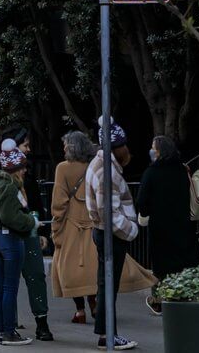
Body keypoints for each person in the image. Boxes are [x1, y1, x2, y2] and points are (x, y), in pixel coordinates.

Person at [52, 131, 155, 326]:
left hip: (71, 226)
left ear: (72, 147)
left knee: (72, 271)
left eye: (66, 145)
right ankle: (94, 303)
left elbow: (59, 203)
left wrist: (56, 228)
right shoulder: (94, 166)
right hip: (94, 223)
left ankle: (80, 310)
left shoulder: (62, 168)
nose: (63, 148)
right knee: (94, 271)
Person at [86, 119, 139, 351]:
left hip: (103, 232)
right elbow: (108, 212)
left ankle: (105, 334)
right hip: (111, 235)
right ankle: (109, 335)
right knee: (109, 285)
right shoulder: (107, 171)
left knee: (105, 284)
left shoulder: (100, 165)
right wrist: (131, 229)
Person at [135, 134, 199, 314]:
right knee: (185, 260)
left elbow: (142, 200)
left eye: (153, 148)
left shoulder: (151, 172)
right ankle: (187, 295)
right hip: (182, 223)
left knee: (161, 265)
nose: (151, 151)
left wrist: (145, 214)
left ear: (159, 152)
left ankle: (159, 300)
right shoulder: (182, 170)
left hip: (160, 226)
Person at [0, 144, 39, 346]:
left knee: (0, 287)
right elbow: (11, 217)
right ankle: (8, 331)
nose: (25, 170)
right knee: (10, 288)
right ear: (14, 168)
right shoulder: (9, 187)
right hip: (10, 239)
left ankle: (0, 331)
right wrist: (31, 222)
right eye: (22, 167)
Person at [6, 131, 53, 341]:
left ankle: (41, 322)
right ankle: (7, 325)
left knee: (36, 277)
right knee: (8, 281)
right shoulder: (0, 179)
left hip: (30, 233)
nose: (28, 148)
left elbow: (36, 205)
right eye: (25, 144)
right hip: (9, 236)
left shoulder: (29, 177)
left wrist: (42, 232)